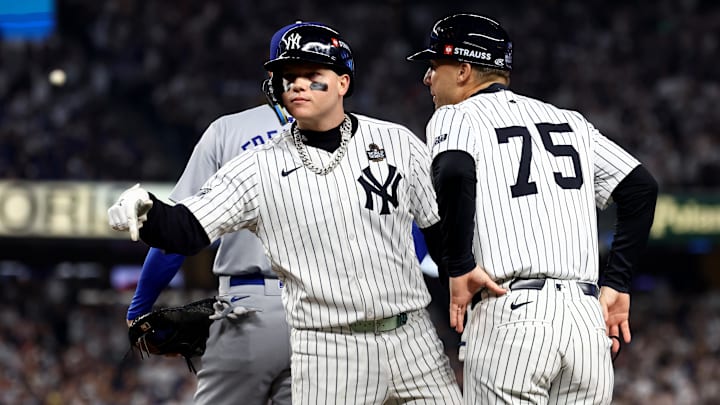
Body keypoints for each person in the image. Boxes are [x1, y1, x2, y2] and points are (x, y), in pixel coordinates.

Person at [109, 22, 463, 405]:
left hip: (409, 336)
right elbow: (184, 229)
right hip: (323, 342)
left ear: (343, 83)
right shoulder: (256, 167)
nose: (296, 84)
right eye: (287, 76)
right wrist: (148, 213)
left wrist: (463, 292)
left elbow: (438, 231)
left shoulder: (396, 142)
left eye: (312, 75)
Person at [407, 13, 658, 404]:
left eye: (434, 65)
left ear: (463, 70)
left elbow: (454, 169)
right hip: (585, 320)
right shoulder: (569, 121)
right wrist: (618, 282)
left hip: (512, 311)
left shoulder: (454, 115)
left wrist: (456, 264)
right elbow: (641, 188)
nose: (427, 78)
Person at [124, 22, 317, 405]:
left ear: (271, 74)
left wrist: (140, 307)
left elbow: (176, 234)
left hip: (250, 309)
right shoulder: (356, 138)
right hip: (322, 317)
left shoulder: (229, 131)